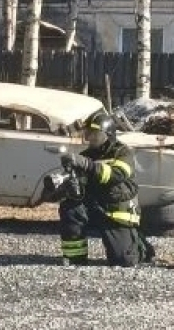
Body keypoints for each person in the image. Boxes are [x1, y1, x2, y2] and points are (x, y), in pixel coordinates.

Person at [57, 113, 150, 267]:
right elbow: (77, 185)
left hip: (115, 212)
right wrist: (71, 186)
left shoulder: (123, 152)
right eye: (89, 134)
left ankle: (141, 248)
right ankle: (75, 258)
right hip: (93, 208)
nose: (91, 138)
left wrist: (88, 165)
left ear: (108, 134)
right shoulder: (86, 156)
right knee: (70, 208)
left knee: (123, 261)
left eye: (96, 134)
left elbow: (116, 175)